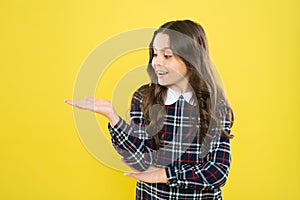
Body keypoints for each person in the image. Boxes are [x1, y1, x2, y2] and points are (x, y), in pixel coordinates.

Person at [65, 19, 234, 200]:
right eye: (155, 54)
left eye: (167, 56)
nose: (157, 62)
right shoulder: (144, 97)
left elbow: (217, 172)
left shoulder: (214, 104)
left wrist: (164, 175)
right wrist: (113, 118)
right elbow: (140, 159)